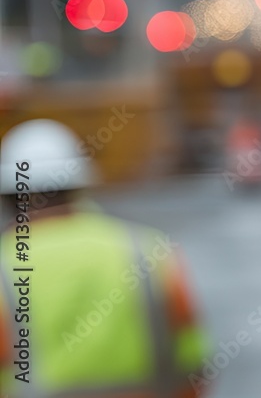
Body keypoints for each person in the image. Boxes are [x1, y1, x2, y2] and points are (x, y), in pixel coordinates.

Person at [0, 118, 210, 398]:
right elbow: (191, 356)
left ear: (8, 198)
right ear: (79, 186)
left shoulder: (6, 265)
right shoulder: (147, 249)